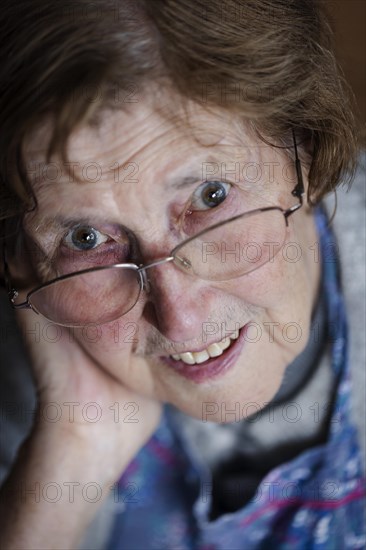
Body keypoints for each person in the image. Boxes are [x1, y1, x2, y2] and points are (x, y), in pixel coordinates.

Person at [0, 1, 365, 548]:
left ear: (304, 148)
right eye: (86, 239)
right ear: (21, 258)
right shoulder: (17, 377)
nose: (179, 316)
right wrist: (73, 452)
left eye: (210, 197)